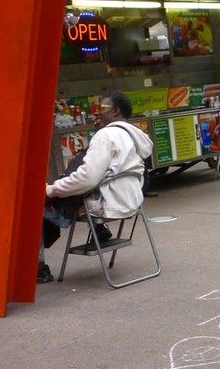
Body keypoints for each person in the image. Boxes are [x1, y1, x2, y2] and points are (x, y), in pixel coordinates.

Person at [37, 91, 153, 283]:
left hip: (106, 204)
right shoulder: (134, 135)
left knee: (37, 207)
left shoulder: (106, 136)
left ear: (115, 111)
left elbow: (87, 179)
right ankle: (100, 231)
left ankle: (38, 268)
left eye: (102, 108)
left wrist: (51, 189)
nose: (97, 112)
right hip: (131, 201)